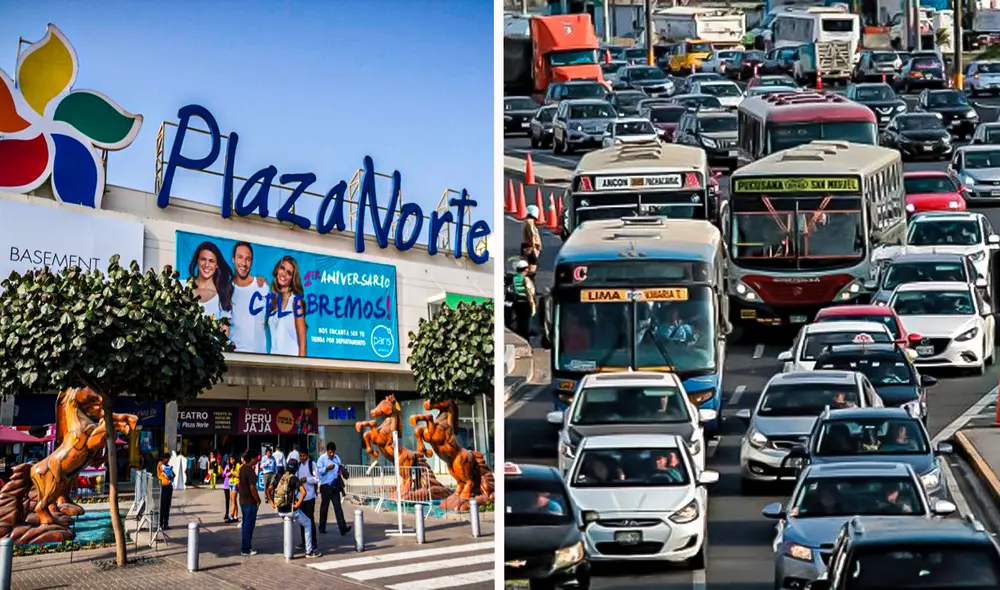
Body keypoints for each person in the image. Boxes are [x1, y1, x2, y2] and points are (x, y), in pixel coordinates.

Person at [267, 457, 321, 558]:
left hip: (280, 510)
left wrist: (272, 503)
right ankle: (309, 551)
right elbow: (303, 492)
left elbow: (268, 490)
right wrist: (297, 505)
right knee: (308, 523)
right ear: (296, 469)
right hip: (291, 511)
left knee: (289, 523)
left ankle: (289, 551)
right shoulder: (294, 479)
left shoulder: (279, 477)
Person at [229, 242, 270, 353]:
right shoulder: (226, 289)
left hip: (259, 357)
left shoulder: (262, 287)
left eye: (248, 259)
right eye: (240, 257)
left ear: (251, 262)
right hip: (233, 356)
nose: (244, 263)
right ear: (233, 259)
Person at [189, 242, 234, 334]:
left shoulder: (223, 295)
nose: (206, 265)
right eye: (203, 259)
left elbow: (224, 337)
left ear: (217, 265)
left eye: (211, 261)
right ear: (197, 260)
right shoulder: (182, 286)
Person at [267, 256, 307, 356]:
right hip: (273, 364)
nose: (284, 274)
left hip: (291, 366)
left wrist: (301, 370)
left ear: (292, 278)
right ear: (277, 269)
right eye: (282, 268)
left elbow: (303, 345)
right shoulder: (273, 301)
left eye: (289, 273)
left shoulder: (295, 302)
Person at [316, 442, 352, 535]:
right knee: (324, 507)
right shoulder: (322, 459)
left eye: (333, 452)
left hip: (335, 486)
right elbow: (319, 471)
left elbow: (340, 468)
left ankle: (343, 528)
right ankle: (322, 527)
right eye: (330, 452)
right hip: (325, 486)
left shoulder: (337, 458)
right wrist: (326, 468)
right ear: (327, 451)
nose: (331, 454)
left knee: (338, 507)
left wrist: (341, 473)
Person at [295, 449, 321, 552]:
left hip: (310, 496)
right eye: (300, 456)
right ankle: (304, 541)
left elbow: (317, 479)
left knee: (310, 520)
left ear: (308, 455)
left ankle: (313, 542)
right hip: (300, 497)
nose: (302, 458)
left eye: (304, 456)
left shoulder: (312, 464)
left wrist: (307, 479)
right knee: (302, 520)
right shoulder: (298, 465)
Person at [237, 452, 260, 556]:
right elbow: (252, 487)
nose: (257, 460)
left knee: (246, 524)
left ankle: (246, 547)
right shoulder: (250, 470)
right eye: (256, 458)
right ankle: (246, 548)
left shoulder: (241, 468)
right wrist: (258, 500)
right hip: (250, 502)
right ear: (252, 459)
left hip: (242, 500)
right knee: (248, 525)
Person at [510, 260, 535, 340]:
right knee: (525, 323)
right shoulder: (526, 279)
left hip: (517, 303)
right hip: (525, 303)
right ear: (525, 269)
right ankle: (525, 338)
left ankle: (519, 337)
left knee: (519, 321)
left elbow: (512, 291)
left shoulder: (514, 278)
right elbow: (530, 291)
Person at [521, 205, 542, 278]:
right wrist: (534, 247)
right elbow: (532, 234)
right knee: (532, 268)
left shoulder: (527, 221)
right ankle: (528, 285)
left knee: (528, 267)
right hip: (530, 247)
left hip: (527, 246)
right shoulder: (530, 222)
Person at [157, 455, 174, 530]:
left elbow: (173, 474)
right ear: (164, 458)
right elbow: (165, 473)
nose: (168, 460)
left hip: (169, 485)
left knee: (167, 505)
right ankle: (160, 523)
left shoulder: (168, 466)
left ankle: (166, 523)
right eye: (167, 459)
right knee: (162, 506)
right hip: (163, 486)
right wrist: (169, 474)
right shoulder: (160, 464)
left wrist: (171, 475)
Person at [224, 455, 239, 523]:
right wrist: (228, 473)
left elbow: (238, 474)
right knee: (233, 500)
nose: (231, 461)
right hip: (230, 483)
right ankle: (236, 516)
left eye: (233, 459)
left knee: (233, 500)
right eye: (230, 459)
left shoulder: (238, 465)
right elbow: (225, 474)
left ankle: (231, 516)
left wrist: (232, 473)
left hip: (235, 483)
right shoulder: (230, 466)